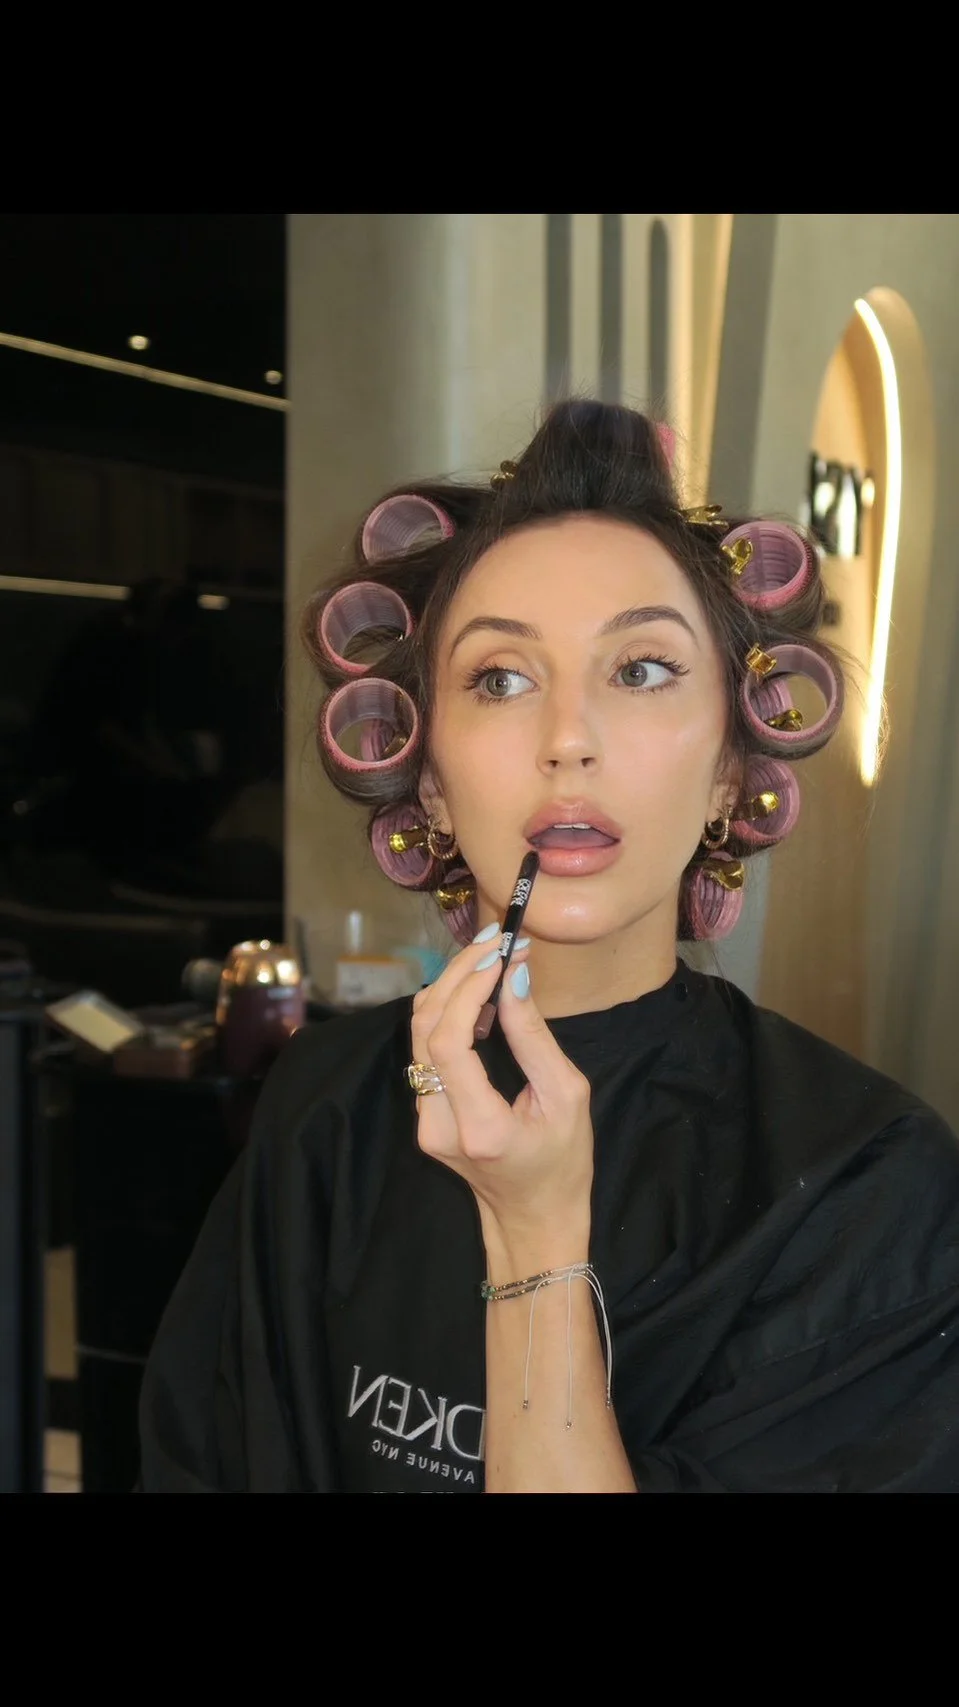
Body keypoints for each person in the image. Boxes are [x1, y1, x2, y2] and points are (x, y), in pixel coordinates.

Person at [138, 400, 959, 1493]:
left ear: (729, 770)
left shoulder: (865, 1181)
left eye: (642, 669)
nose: (567, 740)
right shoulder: (325, 1101)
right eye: (499, 679)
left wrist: (534, 1239)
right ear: (429, 779)